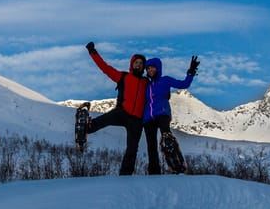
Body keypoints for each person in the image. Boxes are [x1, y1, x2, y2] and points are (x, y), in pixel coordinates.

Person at [84, 41, 149, 175]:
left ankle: (125, 176)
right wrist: (93, 52)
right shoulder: (123, 77)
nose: (139, 65)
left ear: (143, 67)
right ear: (132, 64)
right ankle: (86, 128)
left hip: (137, 120)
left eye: (141, 63)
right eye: (136, 62)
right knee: (105, 119)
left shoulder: (146, 82)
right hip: (123, 112)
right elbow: (105, 68)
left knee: (132, 149)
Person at [143, 55, 200, 174]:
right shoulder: (146, 85)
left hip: (162, 113)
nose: (150, 70)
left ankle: (177, 167)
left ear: (158, 68)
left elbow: (183, 84)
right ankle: (154, 172)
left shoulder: (165, 80)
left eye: (152, 68)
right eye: (148, 68)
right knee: (151, 145)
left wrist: (190, 73)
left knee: (167, 139)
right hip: (148, 118)